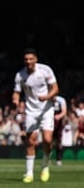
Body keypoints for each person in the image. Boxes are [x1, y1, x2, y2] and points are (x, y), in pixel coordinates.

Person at [12, 48, 59, 183]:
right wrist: (15, 100)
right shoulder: (20, 75)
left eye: (31, 59)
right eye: (26, 59)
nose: (28, 62)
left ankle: (45, 166)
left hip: (46, 109)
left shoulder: (45, 70)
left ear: (36, 59)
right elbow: (16, 92)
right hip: (31, 111)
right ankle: (29, 173)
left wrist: (47, 97)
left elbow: (55, 89)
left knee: (48, 140)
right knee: (31, 141)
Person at [52, 95, 67, 166]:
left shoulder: (61, 100)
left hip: (58, 123)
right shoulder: (47, 99)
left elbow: (64, 111)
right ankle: (47, 158)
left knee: (58, 141)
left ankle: (58, 159)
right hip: (49, 121)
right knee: (48, 141)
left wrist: (59, 116)